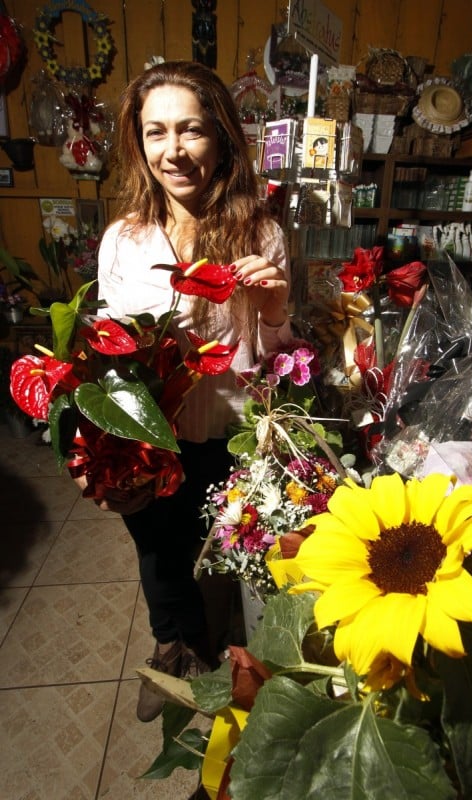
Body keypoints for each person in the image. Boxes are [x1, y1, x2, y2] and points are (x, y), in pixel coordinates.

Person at [75, 60, 292, 722]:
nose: (174, 150)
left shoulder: (262, 231)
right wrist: (98, 445)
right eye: (155, 132)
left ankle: (233, 659)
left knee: (228, 559)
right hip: (152, 438)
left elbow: (278, 353)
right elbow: (108, 351)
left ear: (221, 138)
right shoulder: (124, 240)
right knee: (159, 550)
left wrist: (276, 298)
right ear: (138, 144)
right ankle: (173, 651)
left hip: (231, 435)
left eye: (191, 130)